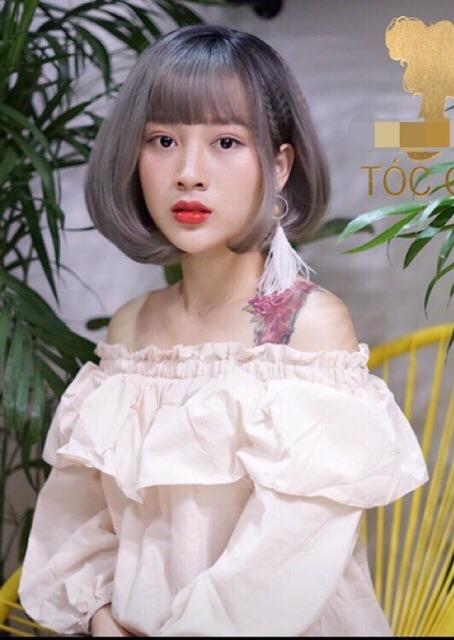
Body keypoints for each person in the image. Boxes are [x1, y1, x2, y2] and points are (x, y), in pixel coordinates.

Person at [17, 24, 429, 637]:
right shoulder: (132, 330)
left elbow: (280, 572)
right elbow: (79, 525)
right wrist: (100, 616)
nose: (189, 173)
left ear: (279, 166)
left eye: (227, 142)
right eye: (163, 140)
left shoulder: (304, 330)